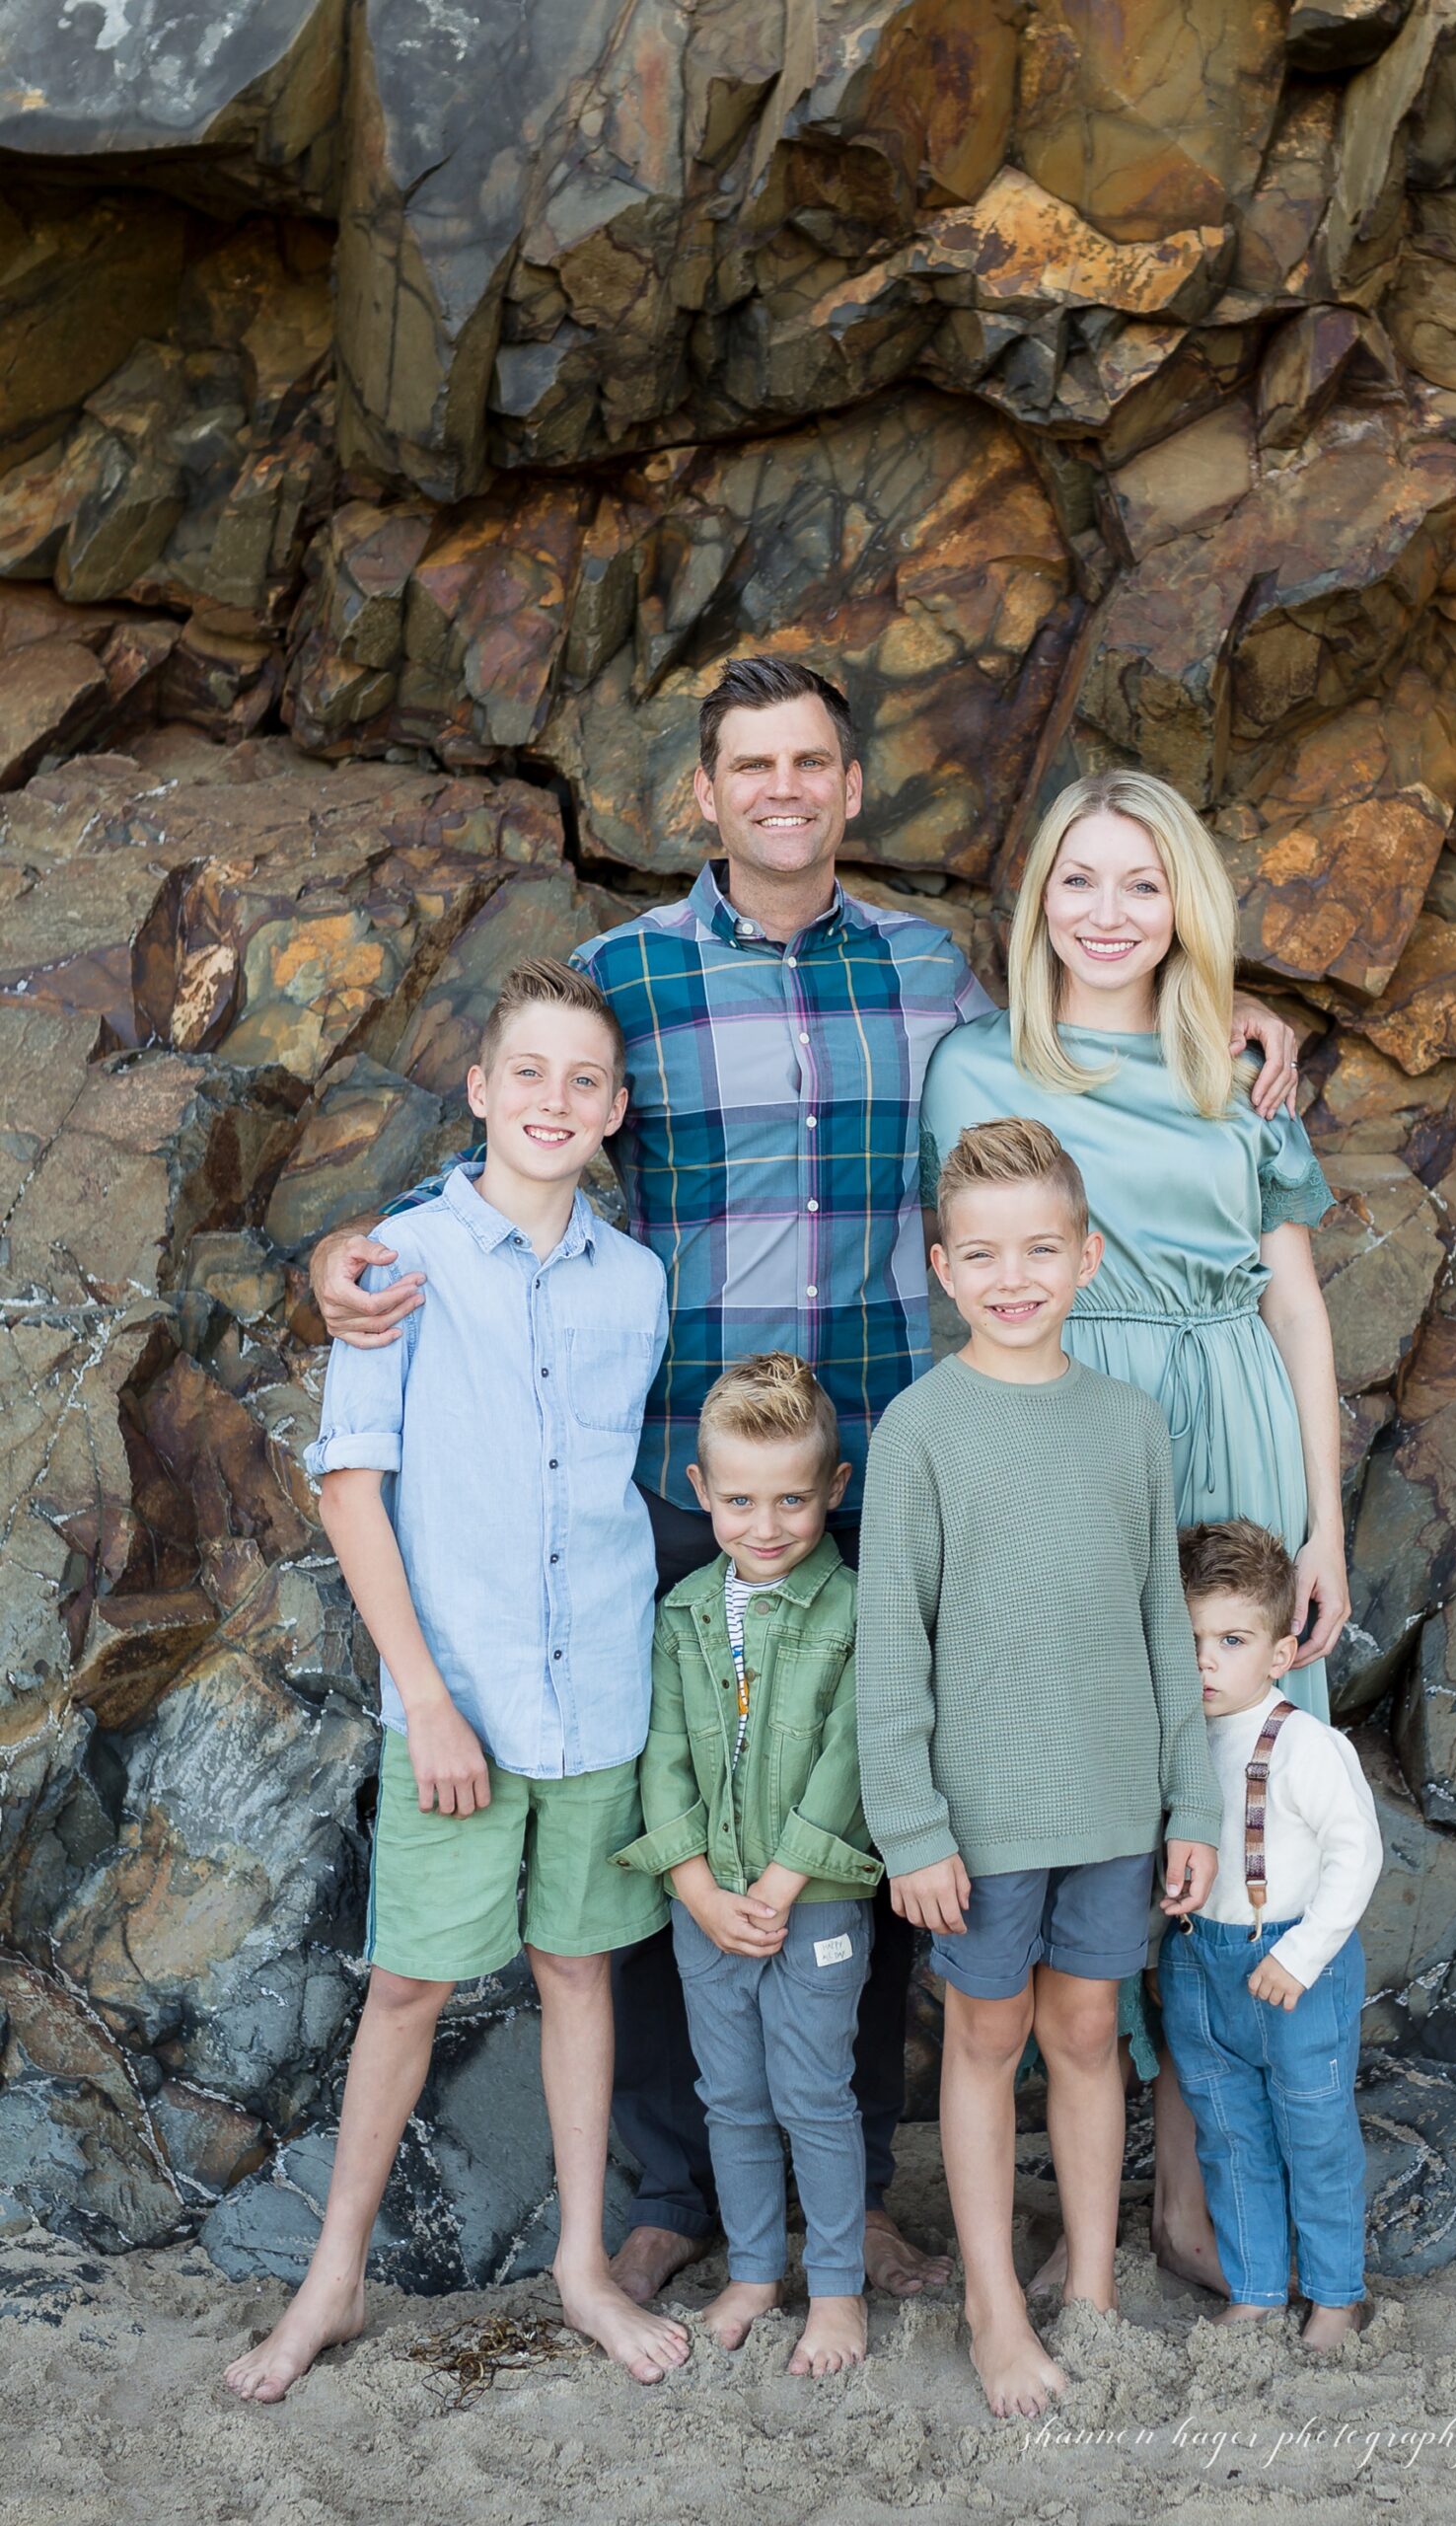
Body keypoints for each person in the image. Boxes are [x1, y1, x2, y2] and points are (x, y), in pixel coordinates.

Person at [307, 661, 1297, 2307]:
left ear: (852, 789)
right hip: (691, 1467)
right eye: (747, 764)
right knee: (666, 1821)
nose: (780, 788)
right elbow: (528, 1135)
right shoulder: (628, 976)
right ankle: (674, 2186)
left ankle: (853, 2195)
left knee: (888, 1809)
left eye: (811, 762)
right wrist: (356, 1256)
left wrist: (1236, 1013)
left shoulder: (930, 976)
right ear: (703, 793)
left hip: (900, 1455)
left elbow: (1069, 1082)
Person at [225, 957, 690, 2403]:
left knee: (575, 1971)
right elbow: (354, 1491)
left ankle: (578, 2268)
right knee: (411, 1987)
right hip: (462, 1703)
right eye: (527, 1074)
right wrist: (424, 1696)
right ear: (480, 1093)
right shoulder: (400, 1265)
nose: (553, 1100)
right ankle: (335, 2278)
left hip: (600, 1695)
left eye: (583, 1080)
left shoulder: (638, 1283)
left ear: (612, 1110)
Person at [917, 768, 1347, 2297]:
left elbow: (1295, 1308)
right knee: (1094, 1796)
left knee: (1229, 1810)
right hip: (1074, 1438)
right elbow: (964, 1289)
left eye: (1142, 885)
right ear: (1037, 899)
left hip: (1229, 1432)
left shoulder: (1239, 1075)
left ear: (1186, 908)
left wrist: (1326, 1530)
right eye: (1079, 881)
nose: (1108, 915)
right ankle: (1075, 2212)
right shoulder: (973, 1070)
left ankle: (1193, 2190)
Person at [856, 1119, 1221, 2419]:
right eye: (981, 1254)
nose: (1011, 1277)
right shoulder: (917, 1429)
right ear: (942, 1268)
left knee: (1083, 2033)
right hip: (983, 1815)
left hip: (1113, 1803)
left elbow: (1159, 1632)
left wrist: (1190, 1798)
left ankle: (1091, 2289)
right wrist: (908, 1827)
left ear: (1084, 1256)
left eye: (1038, 1250)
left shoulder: (1126, 1424)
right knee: (983, 2036)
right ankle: (991, 2303)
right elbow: (890, 1647)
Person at [612, 1353, 882, 2377]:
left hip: (812, 1907)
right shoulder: (681, 1613)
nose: (764, 1526)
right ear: (699, 1494)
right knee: (730, 2094)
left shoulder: (854, 1611)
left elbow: (850, 1757)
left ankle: (839, 2289)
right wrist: (694, 1885)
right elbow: (664, 1755)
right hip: (706, 1907)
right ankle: (758, 2269)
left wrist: (778, 1884)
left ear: (832, 1490)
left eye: (790, 1500)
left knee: (814, 2092)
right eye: (738, 1501)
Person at [1159, 1519, 1382, 2350]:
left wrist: (1299, 1952)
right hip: (1199, 1971)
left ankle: (1334, 2295)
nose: (1205, 1660)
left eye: (1231, 1639)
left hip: (1292, 1967)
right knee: (1228, 2134)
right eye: (1188, 1639)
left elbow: (1356, 1855)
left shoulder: (1306, 1747)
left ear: (1279, 1653)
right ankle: (1253, 2285)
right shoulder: (1177, 1743)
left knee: (1315, 2134)